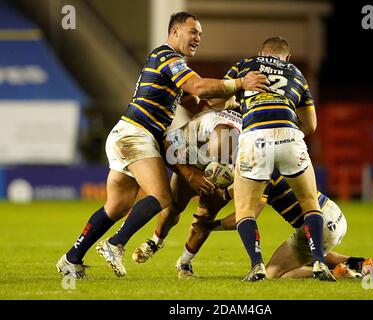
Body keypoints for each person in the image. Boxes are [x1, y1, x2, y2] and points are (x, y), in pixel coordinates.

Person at [56, 11, 269, 279]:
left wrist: (216, 97)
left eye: (201, 34)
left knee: (117, 206)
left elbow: (196, 94)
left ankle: (72, 259)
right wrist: (239, 83)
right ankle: (114, 244)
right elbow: (199, 87)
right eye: (193, 32)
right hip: (136, 134)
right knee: (161, 197)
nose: (198, 38)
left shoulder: (167, 62)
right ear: (175, 31)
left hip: (127, 133)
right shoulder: (168, 56)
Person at [223, 37, 333, 281]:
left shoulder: (245, 64)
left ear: (261, 53)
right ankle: (319, 263)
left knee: (245, 209)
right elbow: (312, 125)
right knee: (309, 201)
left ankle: (256, 265)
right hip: (289, 133)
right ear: (288, 57)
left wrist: (237, 100)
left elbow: (218, 96)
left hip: (254, 136)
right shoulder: (295, 72)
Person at [194, 171, 373, 281]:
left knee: (273, 273)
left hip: (320, 224)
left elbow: (248, 215)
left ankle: (337, 273)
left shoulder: (260, 174)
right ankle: (362, 264)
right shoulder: (278, 162)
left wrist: (211, 226)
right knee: (315, 252)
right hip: (335, 214)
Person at [131, 105, 241, 278]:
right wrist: (188, 173)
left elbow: (252, 186)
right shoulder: (202, 124)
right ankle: (155, 242)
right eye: (217, 157)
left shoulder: (251, 142)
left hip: (228, 176)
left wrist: (226, 192)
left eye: (223, 159)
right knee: (173, 207)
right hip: (192, 161)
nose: (217, 162)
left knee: (204, 219)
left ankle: (185, 263)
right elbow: (165, 144)